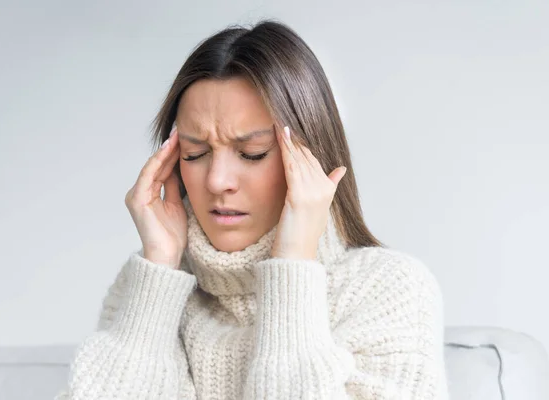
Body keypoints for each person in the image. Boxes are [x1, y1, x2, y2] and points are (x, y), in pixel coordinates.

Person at [56, 20, 448, 400]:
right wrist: (159, 271)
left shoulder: (388, 289)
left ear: (312, 156)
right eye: (195, 153)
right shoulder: (144, 285)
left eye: (252, 153)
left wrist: (293, 266)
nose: (217, 181)